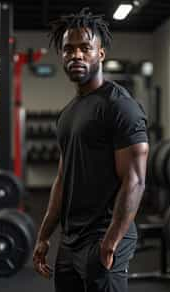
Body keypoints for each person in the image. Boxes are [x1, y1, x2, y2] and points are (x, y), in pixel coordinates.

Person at [33, 7, 149, 292]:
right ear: (61, 55)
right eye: (68, 49)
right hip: (71, 238)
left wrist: (111, 241)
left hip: (104, 235)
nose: (76, 55)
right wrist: (45, 234)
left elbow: (135, 179)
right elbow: (63, 179)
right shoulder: (68, 113)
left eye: (85, 48)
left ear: (100, 54)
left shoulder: (119, 106)